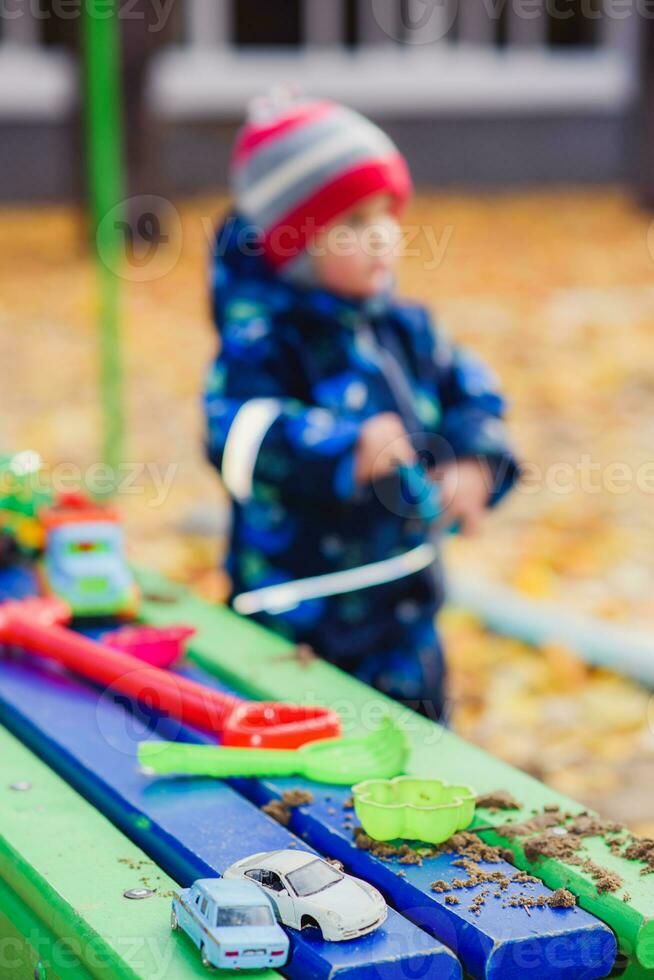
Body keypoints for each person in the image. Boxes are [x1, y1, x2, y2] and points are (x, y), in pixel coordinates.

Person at [203, 94, 519, 720]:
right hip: (294, 621)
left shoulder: (406, 329)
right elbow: (235, 433)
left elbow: (472, 394)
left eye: (386, 215)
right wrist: (344, 446)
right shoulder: (265, 341)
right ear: (292, 245)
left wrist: (477, 461)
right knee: (304, 777)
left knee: (423, 762)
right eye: (350, 224)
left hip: (406, 610)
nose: (379, 237)